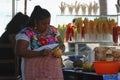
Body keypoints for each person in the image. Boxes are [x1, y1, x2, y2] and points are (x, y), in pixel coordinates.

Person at [15, 5, 65, 80]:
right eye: (44, 24)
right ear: (36, 22)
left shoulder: (53, 30)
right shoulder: (26, 33)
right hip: (34, 72)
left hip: (53, 72)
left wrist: (60, 51)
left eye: (48, 23)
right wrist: (39, 53)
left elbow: (62, 45)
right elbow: (19, 51)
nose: (47, 26)